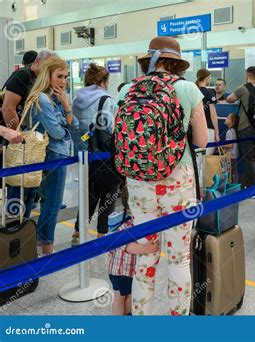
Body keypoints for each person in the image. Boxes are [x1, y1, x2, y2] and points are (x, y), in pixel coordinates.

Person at [127, 36, 208, 316]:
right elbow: (202, 140)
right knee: (178, 259)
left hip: (138, 180)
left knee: (145, 257)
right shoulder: (187, 89)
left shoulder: (127, 88)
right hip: (177, 178)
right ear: (176, 63)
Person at [24, 56, 79, 255]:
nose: (63, 81)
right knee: (52, 202)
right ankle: (46, 246)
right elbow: (60, 133)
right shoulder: (43, 99)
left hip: (55, 153)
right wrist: (68, 126)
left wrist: (66, 105)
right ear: (47, 75)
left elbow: (75, 126)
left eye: (66, 76)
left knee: (48, 201)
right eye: (59, 76)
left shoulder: (54, 98)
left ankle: (41, 243)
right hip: (53, 155)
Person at [2, 49, 56, 219]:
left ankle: (23, 229)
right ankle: (12, 232)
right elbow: (8, 108)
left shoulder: (40, 80)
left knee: (29, 188)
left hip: (30, 140)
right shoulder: (22, 76)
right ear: (37, 62)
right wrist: (19, 135)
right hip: (14, 138)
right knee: (18, 187)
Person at [71, 63, 121, 245]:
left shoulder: (76, 99)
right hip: (103, 153)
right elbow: (108, 127)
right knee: (109, 191)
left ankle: (77, 231)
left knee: (88, 192)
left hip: (84, 153)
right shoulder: (105, 99)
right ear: (102, 81)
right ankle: (102, 233)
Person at [107, 186, 159, 315]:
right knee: (127, 296)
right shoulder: (129, 225)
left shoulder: (124, 221)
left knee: (119, 295)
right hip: (123, 271)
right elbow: (129, 247)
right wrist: (147, 248)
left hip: (116, 270)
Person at [226, 66, 255, 198]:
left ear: (247, 75)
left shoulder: (243, 88)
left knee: (249, 158)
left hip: (246, 128)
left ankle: (251, 189)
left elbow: (229, 99)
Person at [196, 69, 220, 155]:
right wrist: (217, 133)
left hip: (194, 129)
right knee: (206, 158)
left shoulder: (193, 91)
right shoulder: (209, 93)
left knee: (197, 157)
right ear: (207, 78)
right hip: (207, 128)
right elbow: (213, 115)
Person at [223, 113, 239, 183]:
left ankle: (233, 185)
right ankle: (235, 185)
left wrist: (221, 145)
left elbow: (230, 145)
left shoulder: (229, 132)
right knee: (234, 171)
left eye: (228, 118)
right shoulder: (233, 131)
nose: (226, 119)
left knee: (231, 172)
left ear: (232, 122)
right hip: (234, 155)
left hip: (231, 155)